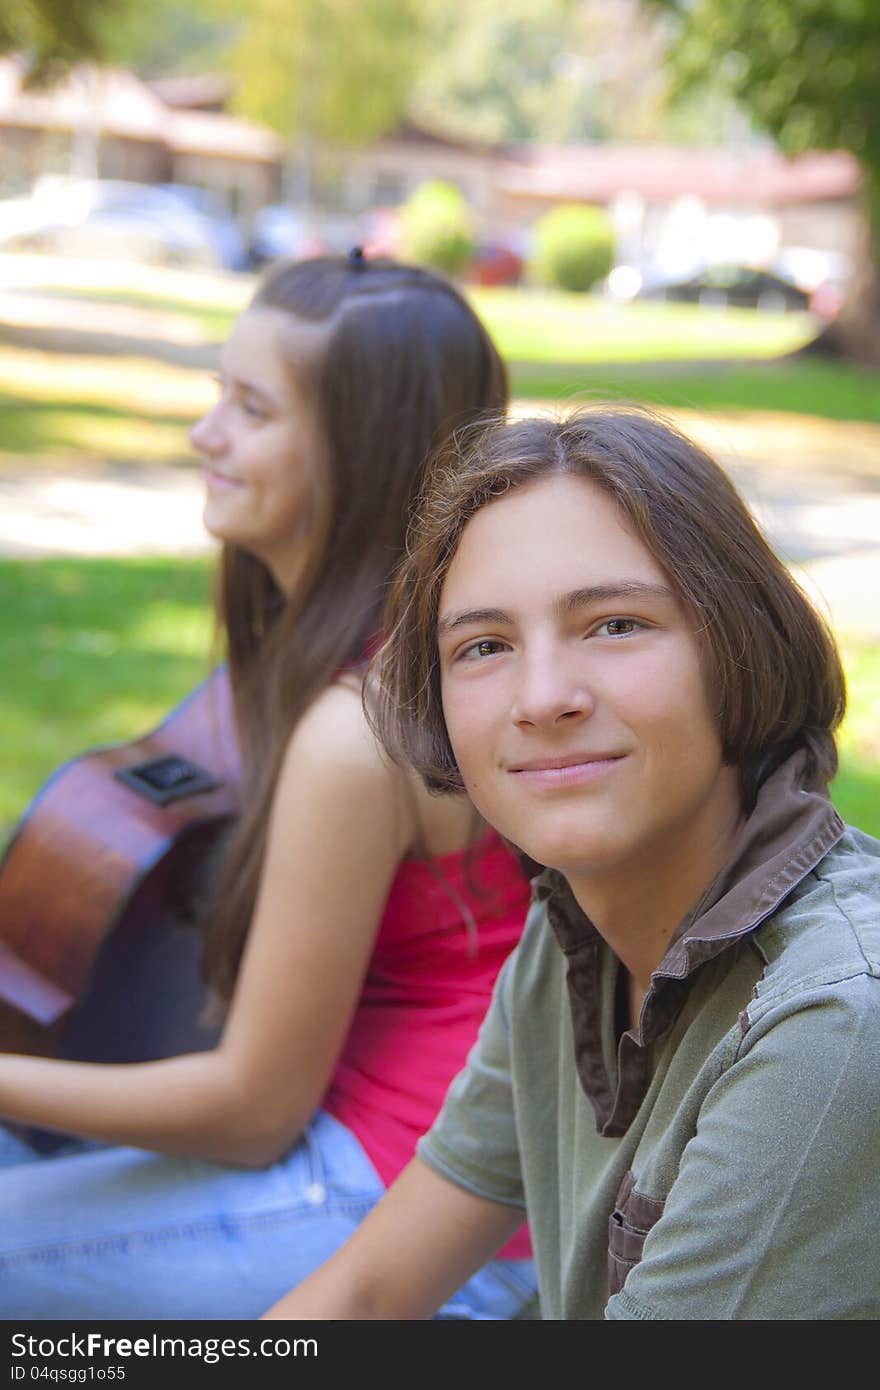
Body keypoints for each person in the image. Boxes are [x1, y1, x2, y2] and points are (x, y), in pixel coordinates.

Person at [0, 254, 537, 1321]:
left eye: (251, 409)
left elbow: (253, 1107)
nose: (206, 436)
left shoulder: (362, 726)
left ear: (361, 454)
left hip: (412, 1214)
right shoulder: (386, 650)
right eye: (218, 395)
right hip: (392, 1164)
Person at [264, 405, 880, 1321]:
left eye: (616, 625)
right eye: (485, 647)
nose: (543, 697)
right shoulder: (574, 938)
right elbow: (367, 1293)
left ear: (739, 645)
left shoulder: (831, 1021)